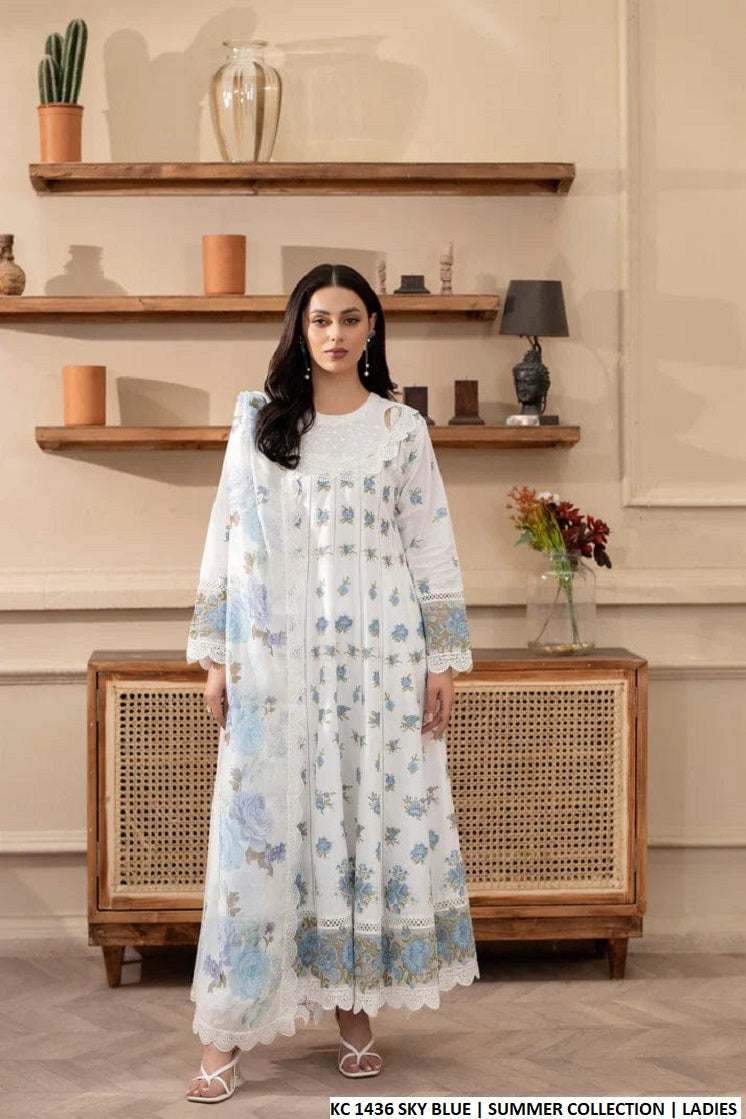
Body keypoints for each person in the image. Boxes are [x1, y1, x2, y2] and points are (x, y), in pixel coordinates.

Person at [185, 263, 478, 1103]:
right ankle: (224, 1032)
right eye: (321, 319)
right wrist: (216, 655)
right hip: (278, 665)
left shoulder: (400, 429)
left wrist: (442, 660)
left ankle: (356, 1013)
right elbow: (224, 534)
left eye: (351, 318)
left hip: (381, 662)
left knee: (361, 820)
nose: (336, 333)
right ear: (300, 328)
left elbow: (430, 544)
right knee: (260, 833)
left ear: (372, 327)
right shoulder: (262, 422)